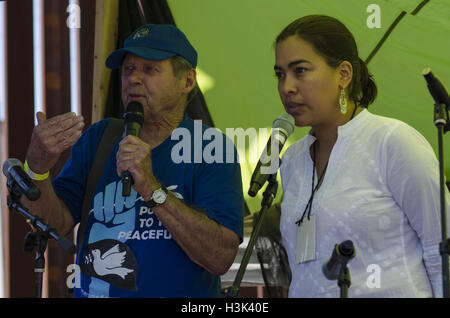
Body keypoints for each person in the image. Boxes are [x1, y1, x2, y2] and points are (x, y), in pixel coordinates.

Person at [22, 24, 244, 297]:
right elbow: (52, 224)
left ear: (187, 81)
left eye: (149, 69)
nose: (134, 79)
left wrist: (152, 189)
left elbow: (219, 257)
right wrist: (37, 168)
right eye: (128, 70)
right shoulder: (100, 138)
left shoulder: (210, 147)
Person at [272, 15, 450, 297]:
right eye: (280, 74)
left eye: (300, 71)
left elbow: (441, 248)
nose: (287, 87)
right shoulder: (292, 160)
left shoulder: (392, 142)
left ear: (343, 74)